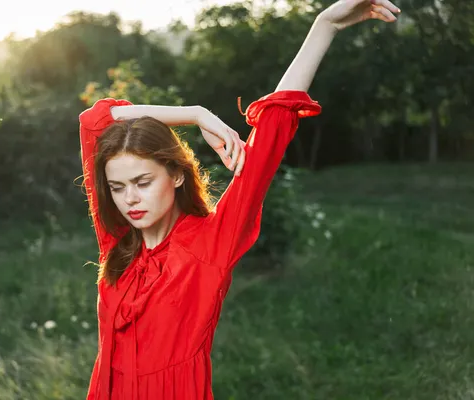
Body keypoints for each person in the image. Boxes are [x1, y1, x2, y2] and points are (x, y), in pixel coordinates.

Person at [78, 1, 400, 398]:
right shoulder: (116, 241)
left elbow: (270, 136)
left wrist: (325, 25)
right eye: (117, 187)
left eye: (143, 182)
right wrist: (194, 114)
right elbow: (95, 120)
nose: (130, 199)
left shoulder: (210, 242)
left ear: (177, 174)